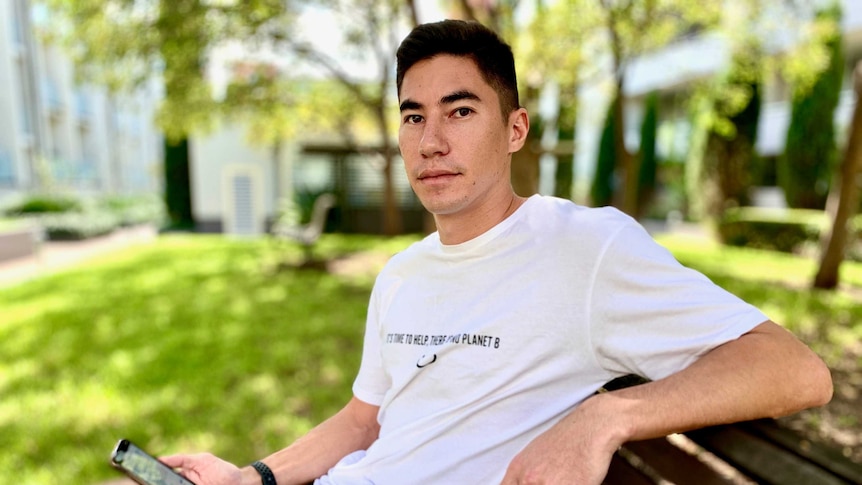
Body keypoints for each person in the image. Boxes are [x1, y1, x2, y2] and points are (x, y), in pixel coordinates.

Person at [163, 19, 833, 484]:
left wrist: (607, 416)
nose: (430, 141)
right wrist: (250, 475)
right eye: (412, 115)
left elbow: (796, 370)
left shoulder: (583, 246)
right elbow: (364, 418)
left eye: (459, 111)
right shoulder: (401, 273)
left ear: (515, 130)